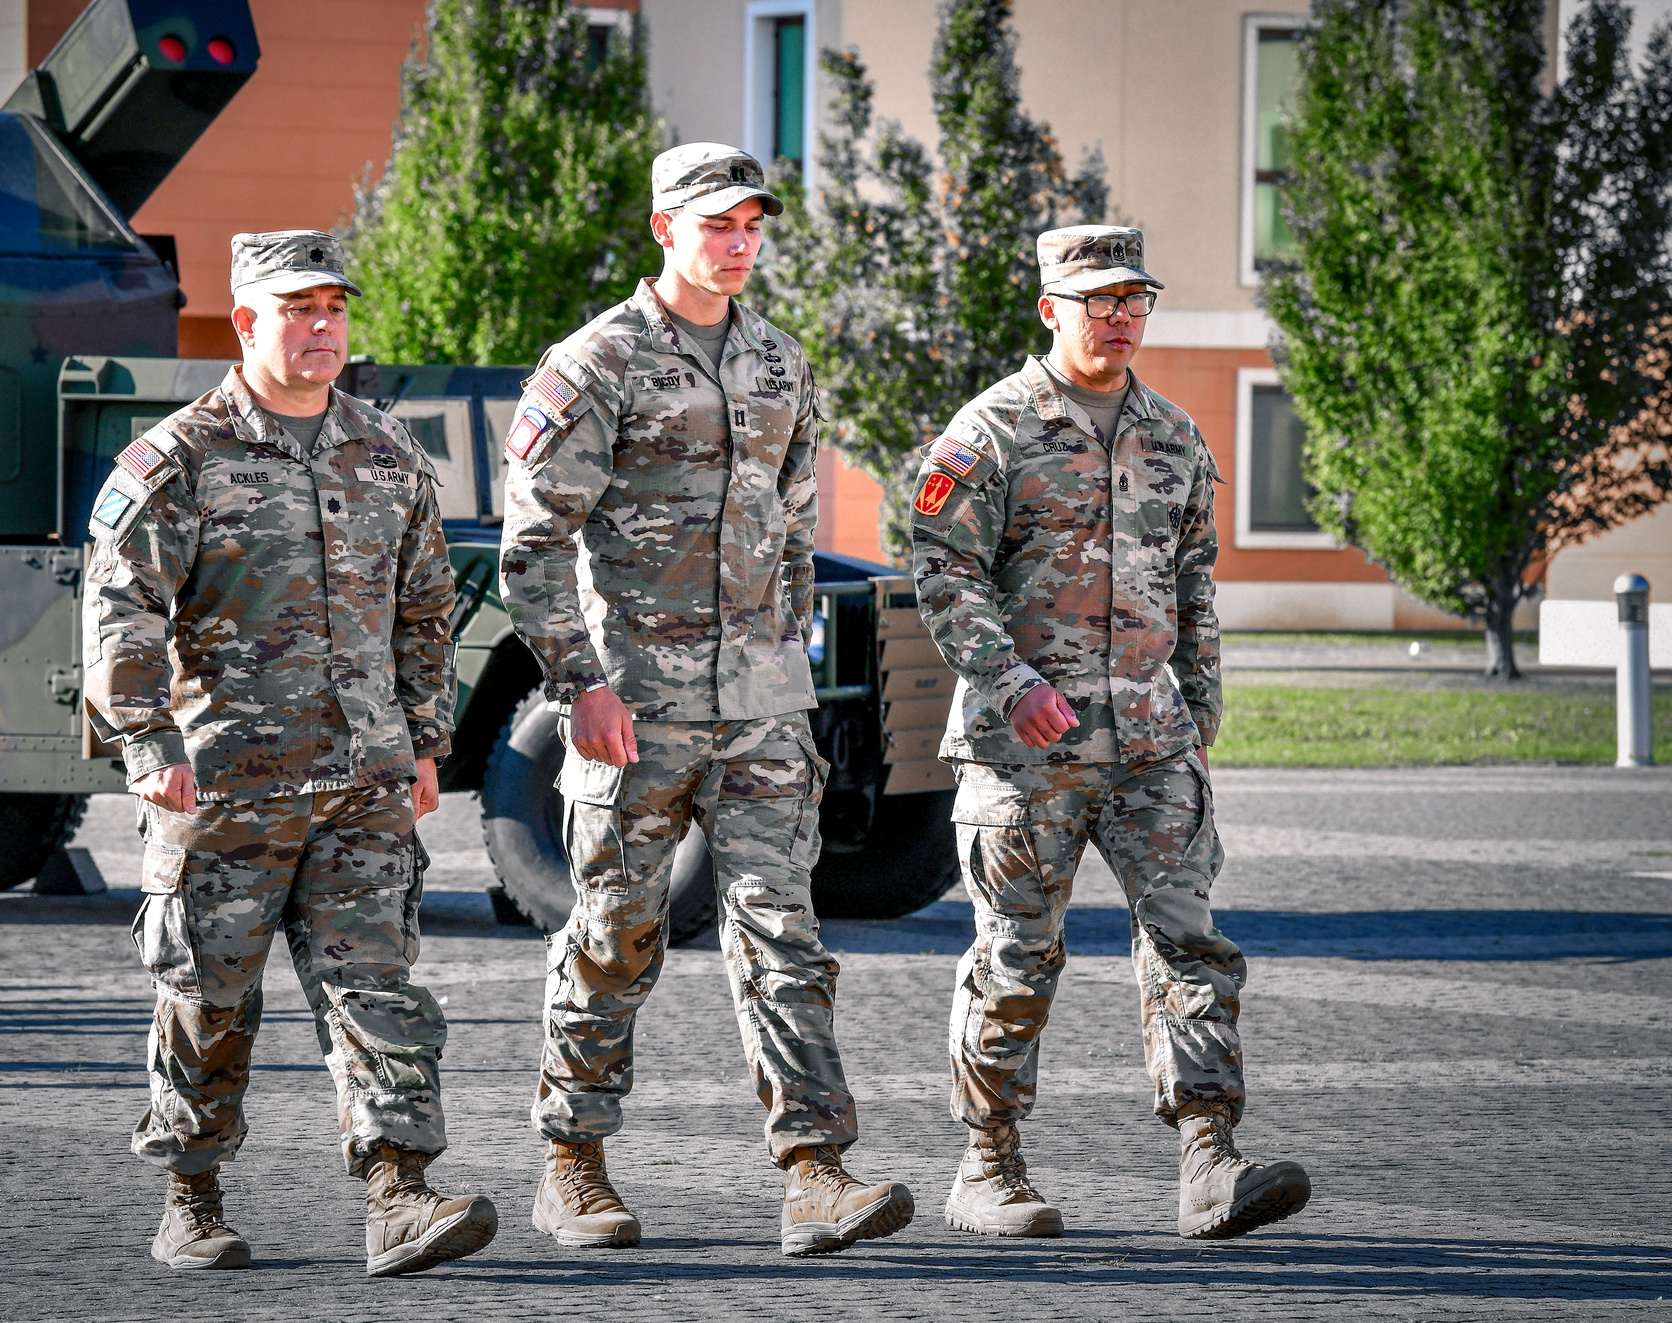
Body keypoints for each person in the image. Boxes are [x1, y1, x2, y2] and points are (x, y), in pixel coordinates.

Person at [498, 142, 914, 1258]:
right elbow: (530, 547)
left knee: (784, 933)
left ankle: (814, 1171)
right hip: (635, 710)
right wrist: (577, 685)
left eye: (751, 226)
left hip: (761, 714)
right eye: (716, 224)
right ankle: (571, 1163)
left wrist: (784, 657)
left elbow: (790, 530)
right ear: (662, 229)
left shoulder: (779, 362)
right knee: (615, 936)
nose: (738, 243)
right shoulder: (597, 363)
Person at [82, 230, 497, 1276]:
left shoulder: (387, 453)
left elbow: (424, 604)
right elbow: (120, 601)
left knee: (380, 990)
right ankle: (192, 1196)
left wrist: (424, 740)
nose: (320, 327)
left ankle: (397, 1195)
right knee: (209, 1000)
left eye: (332, 308)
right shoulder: (178, 458)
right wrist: (145, 738)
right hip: (223, 782)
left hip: (362, 778)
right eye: (297, 309)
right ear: (247, 322)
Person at [907, 225, 1311, 1241]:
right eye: (1097, 300)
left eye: (1133, 297)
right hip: (1023, 753)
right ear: (1049, 307)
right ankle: (987, 1166)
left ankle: (1207, 1161)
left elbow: (1192, 583)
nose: (1119, 315)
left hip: (1148, 743)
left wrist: (1200, 709)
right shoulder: (990, 429)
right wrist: (1005, 681)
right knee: (1014, 957)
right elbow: (942, 573)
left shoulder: (1172, 434)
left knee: (1189, 946)